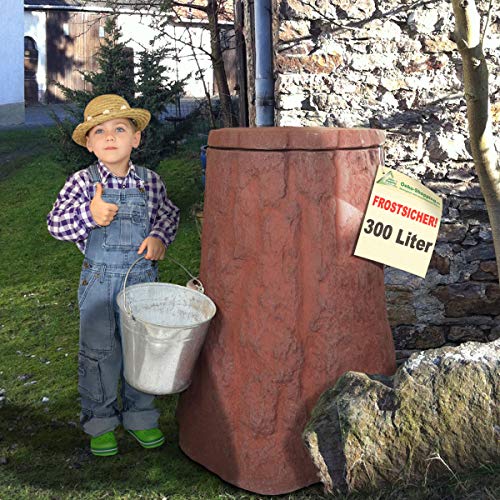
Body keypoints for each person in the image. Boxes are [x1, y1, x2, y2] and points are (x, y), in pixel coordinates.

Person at [47, 94, 180, 457]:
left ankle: (140, 416)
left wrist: (158, 237)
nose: (110, 137)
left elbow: (169, 214)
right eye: (100, 131)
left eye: (120, 129)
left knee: (142, 350)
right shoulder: (81, 183)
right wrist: (89, 215)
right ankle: (101, 421)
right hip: (98, 284)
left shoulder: (150, 182)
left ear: (135, 138)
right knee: (99, 353)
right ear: (89, 144)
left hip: (141, 283)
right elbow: (55, 224)